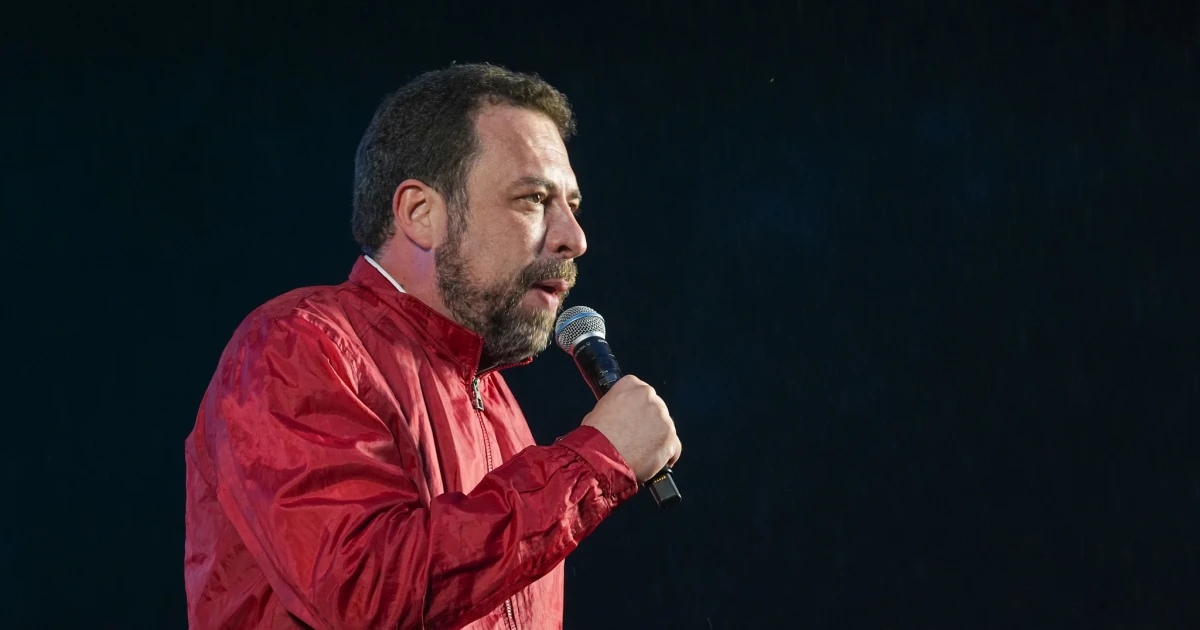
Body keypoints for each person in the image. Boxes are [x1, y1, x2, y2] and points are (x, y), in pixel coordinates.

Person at [183, 64, 683, 629]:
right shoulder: (296, 346)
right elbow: (366, 591)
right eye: (534, 199)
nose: (575, 238)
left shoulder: (498, 404)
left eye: (573, 205)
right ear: (421, 214)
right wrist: (594, 462)